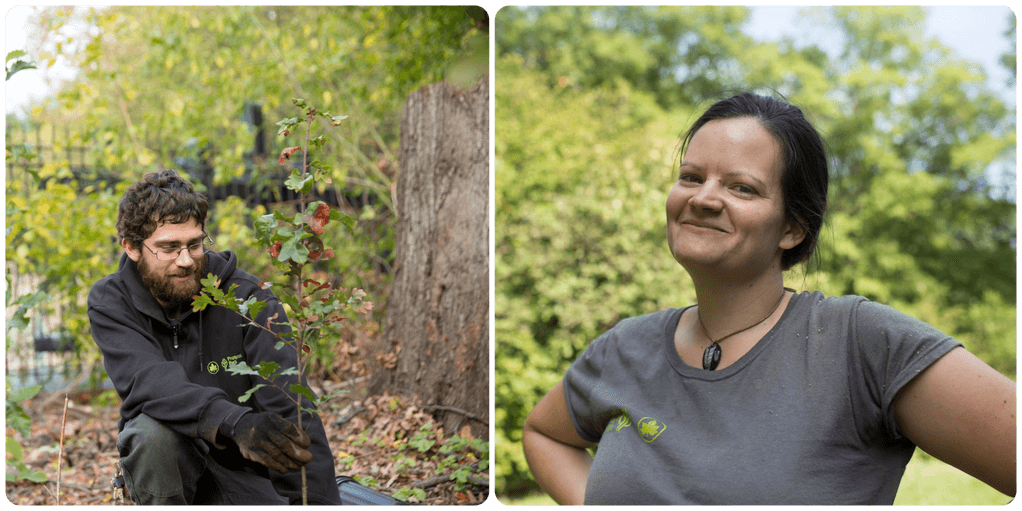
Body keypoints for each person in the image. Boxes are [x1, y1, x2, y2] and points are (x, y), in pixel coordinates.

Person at [521, 92, 1017, 505]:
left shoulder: (861, 345)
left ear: (792, 228)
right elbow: (545, 435)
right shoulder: (624, 348)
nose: (704, 197)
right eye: (691, 177)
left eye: (742, 187)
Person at [88, 170, 341, 505]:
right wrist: (234, 422)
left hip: (246, 481)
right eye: (169, 247)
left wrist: (318, 503)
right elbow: (148, 382)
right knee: (150, 434)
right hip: (169, 475)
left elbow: (290, 407)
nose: (186, 260)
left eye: (195, 244)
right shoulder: (112, 301)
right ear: (132, 247)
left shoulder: (248, 298)